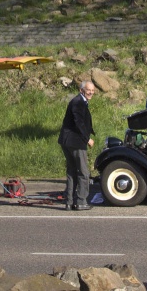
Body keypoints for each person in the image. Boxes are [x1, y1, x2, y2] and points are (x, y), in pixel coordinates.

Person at [58, 81, 96, 211]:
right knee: (83, 172)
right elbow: (79, 122)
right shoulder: (78, 102)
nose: (91, 92)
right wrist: (87, 139)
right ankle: (80, 201)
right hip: (75, 141)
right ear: (81, 90)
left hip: (67, 141)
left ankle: (69, 202)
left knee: (72, 171)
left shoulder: (79, 101)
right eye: (88, 90)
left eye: (93, 90)